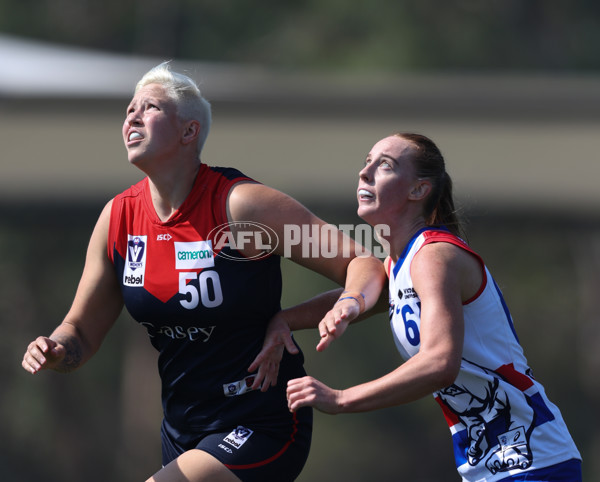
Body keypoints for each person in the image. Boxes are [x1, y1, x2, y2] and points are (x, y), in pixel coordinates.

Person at [21, 62, 385, 482]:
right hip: (182, 431)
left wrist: (300, 316)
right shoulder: (118, 218)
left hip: (262, 421)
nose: (132, 117)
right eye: (129, 110)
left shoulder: (243, 207)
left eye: (150, 107)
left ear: (189, 132)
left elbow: (366, 265)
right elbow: (81, 333)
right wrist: (55, 349)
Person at [281, 133, 582, 481]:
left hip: (534, 459)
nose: (365, 173)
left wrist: (341, 398)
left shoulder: (434, 256)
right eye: (366, 162)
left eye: (385, 166)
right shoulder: (400, 265)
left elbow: (440, 363)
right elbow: (362, 294)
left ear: (418, 190)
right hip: (491, 464)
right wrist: (280, 321)